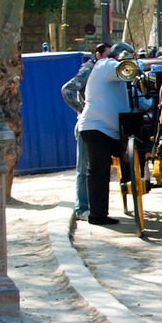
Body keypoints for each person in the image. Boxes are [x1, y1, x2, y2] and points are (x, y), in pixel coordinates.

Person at [77, 41, 152, 226]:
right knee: (97, 172)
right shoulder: (105, 64)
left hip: (110, 131)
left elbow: (141, 101)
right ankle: (97, 215)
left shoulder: (119, 77)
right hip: (97, 128)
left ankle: (106, 208)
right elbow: (129, 68)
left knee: (102, 170)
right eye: (127, 57)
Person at [61, 42, 111, 221]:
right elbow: (68, 90)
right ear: (98, 55)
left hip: (100, 123)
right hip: (87, 123)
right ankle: (82, 208)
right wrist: (81, 108)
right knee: (83, 169)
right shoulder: (89, 70)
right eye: (107, 55)